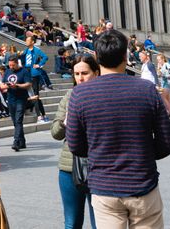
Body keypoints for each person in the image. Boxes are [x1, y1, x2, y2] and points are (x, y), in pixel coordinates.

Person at [66, 30, 170, 229]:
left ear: (96, 58)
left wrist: (101, 154)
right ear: (126, 56)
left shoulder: (80, 94)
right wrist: (141, 154)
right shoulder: (147, 90)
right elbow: (167, 143)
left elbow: (75, 145)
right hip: (143, 185)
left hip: (104, 187)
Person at [51, 54, 100, 229]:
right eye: (76, 73)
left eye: (84, 73)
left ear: (96, 72)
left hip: (99, 168)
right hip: (69, 168)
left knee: (100, 223)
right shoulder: (69, 96)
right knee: (72, 223)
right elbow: (55, 133)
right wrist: (65, 122)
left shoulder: (103, 97)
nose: (80, 78)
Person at [0, 54, 33, 151]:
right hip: (11, 98)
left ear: (17, 63)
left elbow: (29, 84)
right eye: (10, 65)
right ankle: (22, 141)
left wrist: (17, 86)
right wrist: (6, 86)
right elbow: (3, 83)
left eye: (13, 65)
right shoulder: (8, 71)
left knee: (18, 120)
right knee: (15, 121)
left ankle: (16, 141)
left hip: (21, 99)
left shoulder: (24, 71)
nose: (11, 67)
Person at [156, 54, 170, 119]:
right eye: (157, 60)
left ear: (163, 59)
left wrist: (159, 70)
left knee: (163, 97)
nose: (158, 61)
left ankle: (169, 112)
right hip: (165, 83)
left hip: (167, 83)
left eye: (159, 59)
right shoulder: (163, 65)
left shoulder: (166, 65)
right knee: (168, 98)